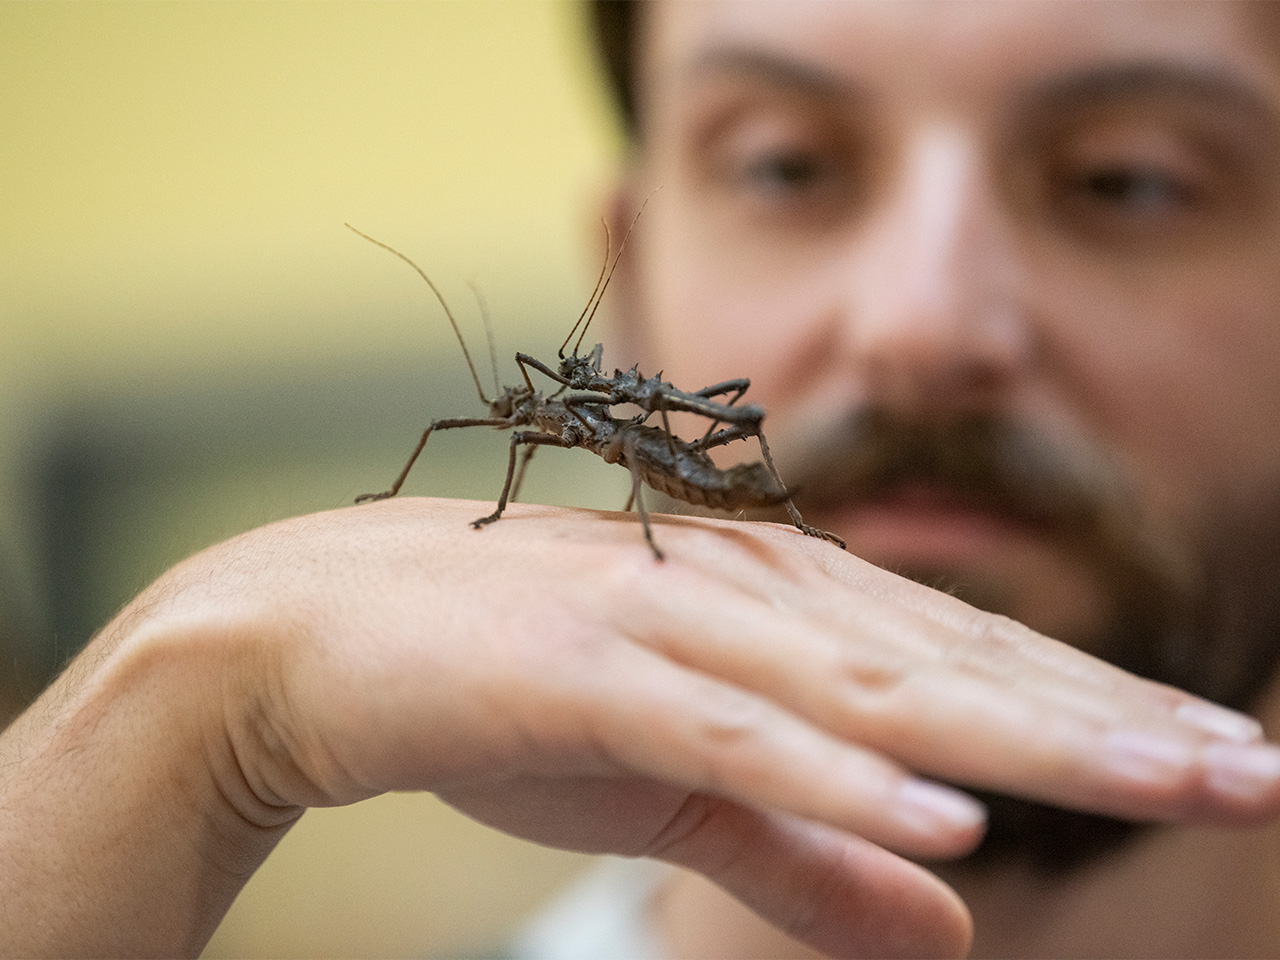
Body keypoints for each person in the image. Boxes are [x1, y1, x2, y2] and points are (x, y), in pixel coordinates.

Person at [4, 1, 1280, 956]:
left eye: (1130, 178)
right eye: (784, 163)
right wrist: (177, 729)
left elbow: (672, 433)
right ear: (628, 267)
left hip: (672, 447)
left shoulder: (656, 415)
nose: (920, 328)